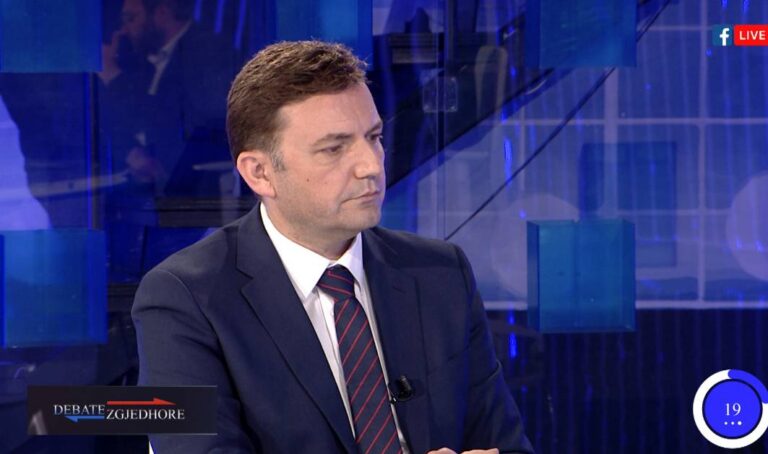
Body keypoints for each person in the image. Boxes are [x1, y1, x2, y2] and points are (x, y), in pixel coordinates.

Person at [132, 40, 534, 454]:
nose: (371, 165)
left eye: (374, 137)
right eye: (334, 148)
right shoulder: (182, 298)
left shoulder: (442, 274)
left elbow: (507, 445)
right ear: (260, 173)